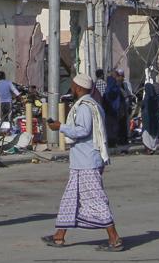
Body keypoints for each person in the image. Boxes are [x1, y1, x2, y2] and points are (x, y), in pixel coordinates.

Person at [43, 74, 124, 252]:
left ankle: (114, 238)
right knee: (70, 199)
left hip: (87, 162)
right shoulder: (92, 104)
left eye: (72, 86)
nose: (71, 89)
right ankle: (59, 236)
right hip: (81, 162)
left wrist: (60, 127)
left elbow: (83, 130)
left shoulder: (86, 107)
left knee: (96, 199)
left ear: (78, 88)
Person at [141, 75, 159, 154]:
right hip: (154, 120)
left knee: (146, 135)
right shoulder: (157, 98)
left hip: (147, 120)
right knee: (153, 134)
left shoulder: (147, 98)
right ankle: (153, 148)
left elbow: (143, 108)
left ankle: (148, 149)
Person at [101, 71, 126, 147]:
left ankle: (112, 142)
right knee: (113, 127)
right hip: (113, 111)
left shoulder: (110, 86)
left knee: (110, 128)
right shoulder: (114, 87)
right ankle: (113, 142)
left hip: (110, 111)